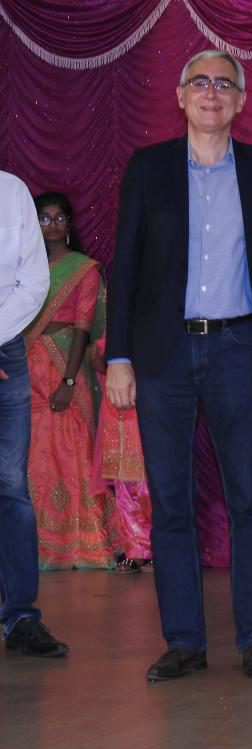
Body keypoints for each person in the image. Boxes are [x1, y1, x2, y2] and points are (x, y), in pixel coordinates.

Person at [105, 50, 252, 682]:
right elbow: (125, 265)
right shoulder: (149, 167)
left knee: (250, 499)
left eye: (224, 84)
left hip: (240, 349)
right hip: (163, 356)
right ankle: (184, 641)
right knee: (171, 504)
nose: (211, 93)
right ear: (181, 96)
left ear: (240, 101)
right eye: (200, 82)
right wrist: (118, 356)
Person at [25, 192, 115, 571]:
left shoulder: (84, 269)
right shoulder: (24, 269)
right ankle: (32, 544)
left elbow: (83, 327)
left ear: (69, 223)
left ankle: (80, 542)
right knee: (31, 453)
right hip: (26, 368)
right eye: (44, 218)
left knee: (71, 449)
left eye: (59, 217)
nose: (52, 225)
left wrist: (68, 380)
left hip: (67, 367)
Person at [0, 170, 69, 658]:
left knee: (10, 485)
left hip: (5, 348)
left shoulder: (11, 191)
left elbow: (33, 280)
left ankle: (20, 616)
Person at [90, 333, 152, 574]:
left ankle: (156, 547)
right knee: (124, 483)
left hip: (147, 404)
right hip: (117, 408)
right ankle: (135, 551)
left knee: (150, 483)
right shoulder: (115, 328)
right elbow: (100, 362)